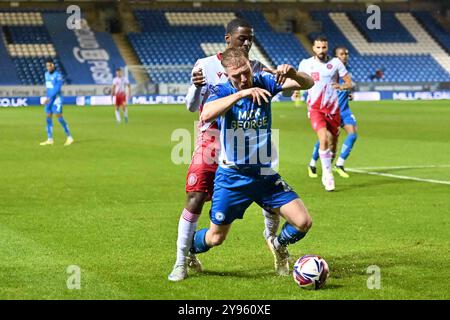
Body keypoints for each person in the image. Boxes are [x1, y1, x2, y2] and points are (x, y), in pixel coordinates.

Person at [169, 18, 283, 282]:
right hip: (212, 139)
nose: (247, 43)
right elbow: (191, 107)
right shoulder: (204, 65)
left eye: (251, 38)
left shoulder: (255, 67)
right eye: (242, 38)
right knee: (196, 196)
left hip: (246, 140)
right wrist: (196, 87)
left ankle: (272, 238)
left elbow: (281, 90)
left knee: (270, 190)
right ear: (228, 38)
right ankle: (180, 261)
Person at [190, 47, 315, 277]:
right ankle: (188, 250)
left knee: (303, 222)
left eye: (246, 72)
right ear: (227, 74)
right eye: (236, 75)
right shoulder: (223, 90)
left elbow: (308, 84)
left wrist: (295, 74)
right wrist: (241, 94)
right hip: (232, 177)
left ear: (250, 65)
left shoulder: (265, 81)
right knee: (216, 238)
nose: (244, 79)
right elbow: (205, 114)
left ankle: (278, 245)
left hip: (264, 174)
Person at [298, 35, 352, 191]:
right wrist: (295, 91)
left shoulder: (336, 63)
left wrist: (343, 87)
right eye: (318, 47)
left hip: (333, 110)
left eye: (324, 47)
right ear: (313, 48)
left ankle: (328, 165)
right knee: (323, 138)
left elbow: (348, 82)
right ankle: (327, 175)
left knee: (333, 144)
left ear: (327, 48)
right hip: (315, 109)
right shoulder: (306, 64)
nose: (321, 50)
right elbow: (298, 80)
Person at [307, 46, 357, 179]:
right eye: (342, 54)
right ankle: (312, 163)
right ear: (335, 56)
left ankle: (339, 164)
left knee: (352, 134)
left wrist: (347, 93)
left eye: (346, 53)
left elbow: (347, 86)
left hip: (344, 110)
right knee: (325, 138)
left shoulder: (346, 71)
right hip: (332, 111)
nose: (345, 56)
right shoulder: (329, 70)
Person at [40, 58, 73, 146]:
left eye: (49, 65)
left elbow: (57, 89)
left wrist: (49, 98)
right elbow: (49, 88)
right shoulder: (46, 74)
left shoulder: (58, 75)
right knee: (48, 116)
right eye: (47, 66)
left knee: (59, 116)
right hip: (49, 99)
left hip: (56, 99)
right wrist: (47, 97)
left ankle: (69, 137)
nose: (48, 67)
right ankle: (50, 139)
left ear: (53, 65)